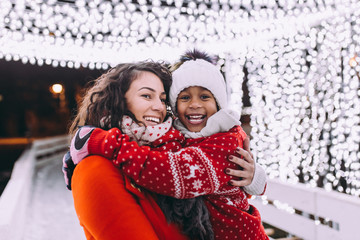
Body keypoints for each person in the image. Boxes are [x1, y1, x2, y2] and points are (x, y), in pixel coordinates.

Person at [68, 50, 268, 239]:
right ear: (118, 100)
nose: (158, 107)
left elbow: (186, 175)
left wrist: (253, 177)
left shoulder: (169, 146)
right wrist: (103, 142)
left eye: (163, 99)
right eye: (146, 95)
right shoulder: (95, 169)